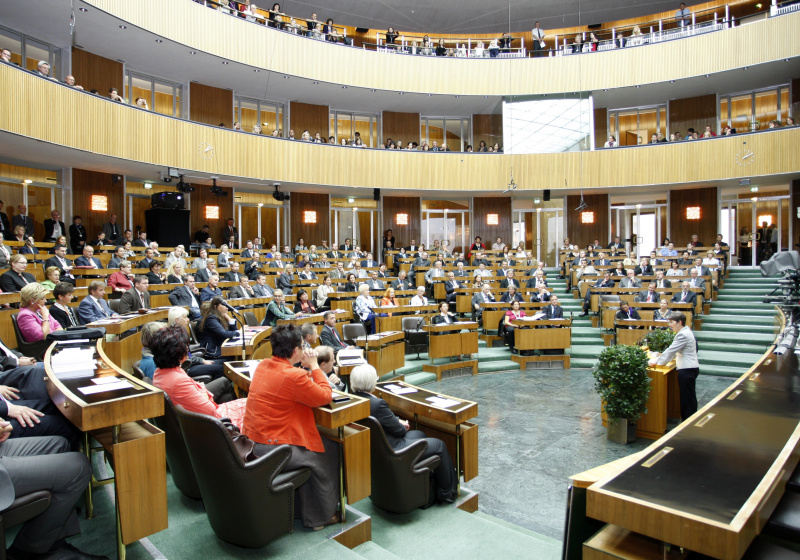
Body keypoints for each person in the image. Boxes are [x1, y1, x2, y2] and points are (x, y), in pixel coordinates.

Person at [243, 325, 340, 530]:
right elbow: (324, 396)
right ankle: (320, 517)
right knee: (328, 450)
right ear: (296, 351)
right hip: (272, 447)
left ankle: (303, 510)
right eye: (302, 346)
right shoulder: (293, 376)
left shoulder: (264, 365)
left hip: (252, 441)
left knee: (313, 446)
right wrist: (314, 366)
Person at [352, 367, 460, 506]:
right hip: (394, 450)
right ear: (372, 381)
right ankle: (447, 494)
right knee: (439, 445)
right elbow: (400, 431)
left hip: (377, 448)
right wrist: (401, 424)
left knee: (419, 433)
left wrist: (396, 421)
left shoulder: (355, 399)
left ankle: (427, 485)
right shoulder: (377, 404)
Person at [151, 325, 244, 428]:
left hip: (189, 414)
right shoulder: (177, 380)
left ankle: (231, 429)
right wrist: (204, 393)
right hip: (199, 424)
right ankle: (233, 430)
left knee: (227, 394)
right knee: (244, 404)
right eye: (185, 346)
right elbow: (210, 410)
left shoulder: (159, 372)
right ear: (177, 352)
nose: (187, 348)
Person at [650, 312, 698, 421]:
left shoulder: (683, 334)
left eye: (671, 322)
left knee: (687, 399)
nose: (669, 325)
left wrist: (656, 362)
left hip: (687, 369)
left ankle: (688, 421)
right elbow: (674, 351)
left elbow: (671, 350)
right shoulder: (684, 331)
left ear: (680, 322)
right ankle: (689, 420)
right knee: (688, 397)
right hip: (689, 368)